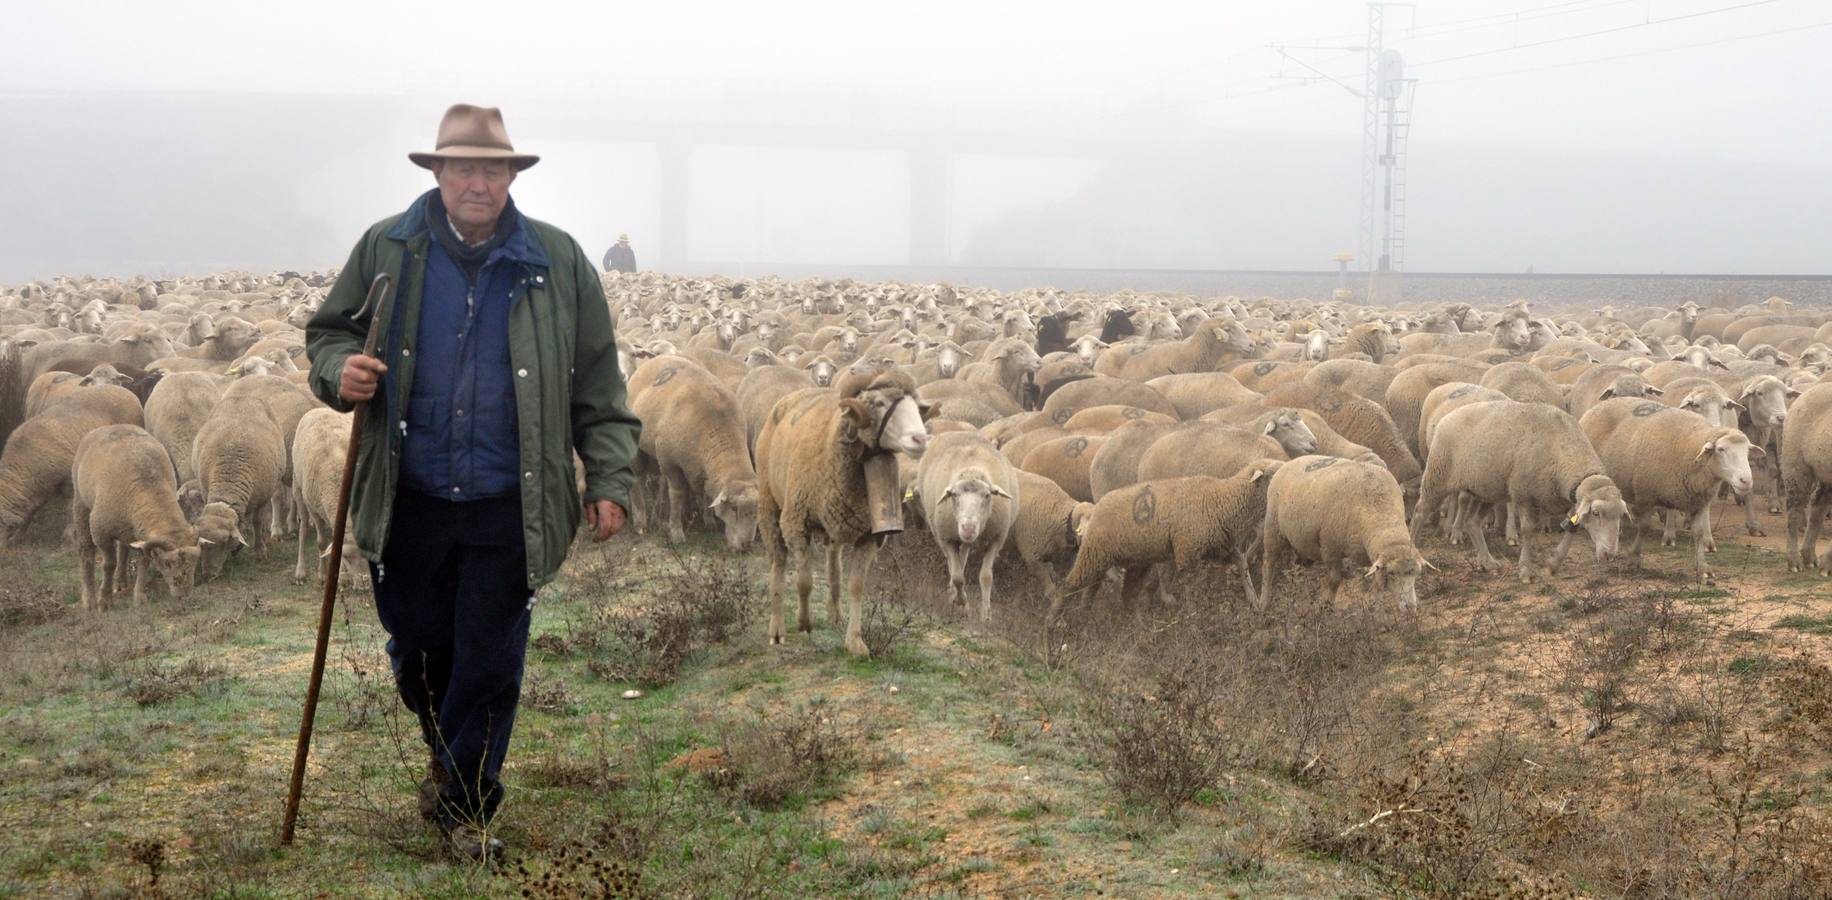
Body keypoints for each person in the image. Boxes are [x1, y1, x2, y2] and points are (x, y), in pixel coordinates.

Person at [304, 103, 641, 861]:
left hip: (508, 503)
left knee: (489, 660)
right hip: (410, 497)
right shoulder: (387, 249)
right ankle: (447, 755)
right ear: (438, 174)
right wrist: (340, 372)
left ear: (511, 177)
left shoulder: (558, 262)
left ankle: (465, 809)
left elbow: (598, 381)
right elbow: (330, 333)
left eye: (493, 170)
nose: (478, 183)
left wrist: (608, 476)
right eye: (464, 169)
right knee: (419, 648)